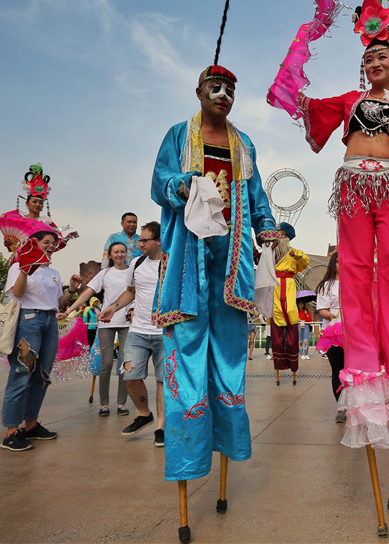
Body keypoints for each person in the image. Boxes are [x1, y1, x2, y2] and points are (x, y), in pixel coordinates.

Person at [268, 0, 389, 456]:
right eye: (367, 59)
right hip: (352, 187)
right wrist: (303, 42)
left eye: (381, 58)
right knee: (353, 273)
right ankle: (365, 375)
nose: (373, 63)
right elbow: (301, 103)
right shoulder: (350, 102)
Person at [151, 61, 281, 482]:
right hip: (189, 261)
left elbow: (256, 193)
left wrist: (265, 226)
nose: (223, 94)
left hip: (232, 264)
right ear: (199, 91)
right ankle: (187, 460)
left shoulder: (243, 143)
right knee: (186, 356)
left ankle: (227, 448)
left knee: (229, 358)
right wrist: (183, 185)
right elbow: (160, 181)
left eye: (229, 89)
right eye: (215, 86)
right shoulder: (178, 134)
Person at [0, 230, 75, 451]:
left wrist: (70, 289)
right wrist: (25, 268)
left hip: (50, 321)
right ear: (34, 244)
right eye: (46, 242)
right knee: (22, 373)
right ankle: (11, 432)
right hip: (28, 320)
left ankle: (31, 425)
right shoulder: (17, 267)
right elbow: (18, 293)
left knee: (42, 375)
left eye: (53, 243)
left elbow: (55, 302)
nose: (51, 245)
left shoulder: (53, 272)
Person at [98, 223, 166, 446]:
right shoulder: (136, 263)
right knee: (130, 375)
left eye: (144, 240)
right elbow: (130, 292)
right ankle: (145, 414)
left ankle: (161, 427)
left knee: (162, 380)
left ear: (158, 241)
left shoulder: (170, 263)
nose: (140, 244)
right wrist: (113, 308)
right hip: (138, 330)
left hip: (165, 331)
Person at [60, 242, 131, 417]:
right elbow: (87, 293)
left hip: (128, 324)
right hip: (106, 322)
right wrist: (69, 310)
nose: (119, 254)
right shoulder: (104, 274)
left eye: (122, 251)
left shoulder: (132, 272)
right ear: (110, 255)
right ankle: (104, 404)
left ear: (126, 254)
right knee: (106, 364)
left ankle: (121, 403)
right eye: (116, 252)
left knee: (124, 364)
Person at [270, 224, 310, 382]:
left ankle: (294, 367)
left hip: (289, 285)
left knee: (292, 323)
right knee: (277, 329)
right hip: (274, 287)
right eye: (277, 234)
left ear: (286, 237)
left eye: (281, 234)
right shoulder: (271, 252)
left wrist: (296, 255)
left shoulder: (294, 253)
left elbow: (304, 263)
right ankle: (278, 367)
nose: (278, 237)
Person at [315, 251, 344, 422]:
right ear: (333, 264)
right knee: (338, 370)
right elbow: (323, 310)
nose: (341, 264)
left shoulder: (353, 283)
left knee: (352, 370)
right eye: (338, 261)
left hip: (351, 332)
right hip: (333, 333)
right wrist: (331, 316)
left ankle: (354, 405)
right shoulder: (326, 285)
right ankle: (341, 407)